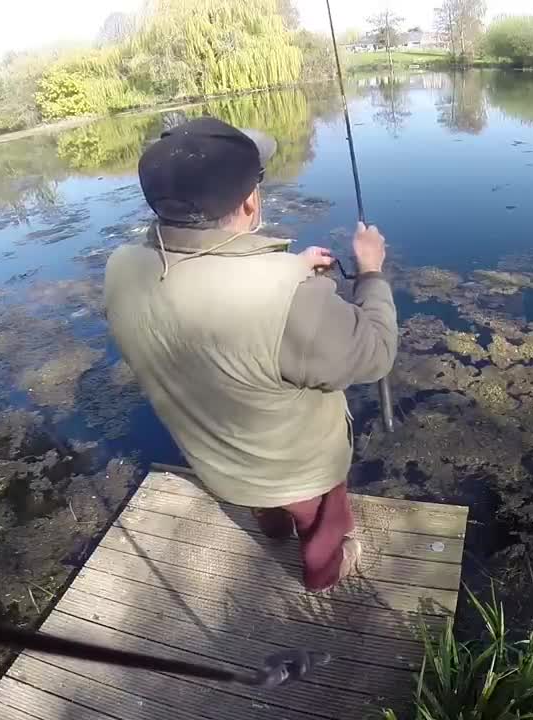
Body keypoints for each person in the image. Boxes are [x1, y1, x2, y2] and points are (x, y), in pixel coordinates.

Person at [104, 118, 398, 592]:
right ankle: (325, 573)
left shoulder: (121, 267)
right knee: (324, 524)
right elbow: (375, 354)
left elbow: (201, 288)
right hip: (301, 472)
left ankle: (274, 528)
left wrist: (289, 270)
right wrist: (371, 272)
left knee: (269, 506)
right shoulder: (286, 295)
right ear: (250, 201)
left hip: (217, 463)